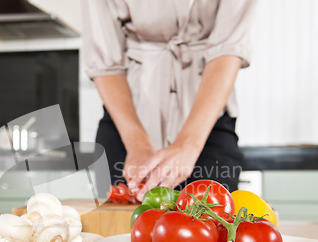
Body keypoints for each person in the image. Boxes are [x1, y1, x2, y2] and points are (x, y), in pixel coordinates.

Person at [81, 0, 257, 202]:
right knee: (118, 228)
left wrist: (189, 143)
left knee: (215, 224)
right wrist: (138, 145)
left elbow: (229, 49)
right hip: (126, 122)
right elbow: (105, 64)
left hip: (208, 123)